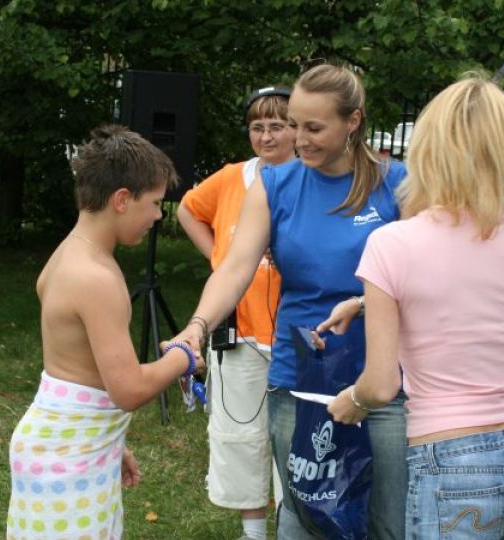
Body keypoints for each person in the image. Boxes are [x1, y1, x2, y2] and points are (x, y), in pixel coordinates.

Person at [171, 63, 409, 539]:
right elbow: (235, 267)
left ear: (354, 121)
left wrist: (362, 304)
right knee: (303, 515)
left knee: (388, 523)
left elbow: (426, 277)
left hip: (382, 381)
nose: (299, 139)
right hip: (299, 377)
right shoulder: (276, 185)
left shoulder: (397, 184)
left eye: (314, 128)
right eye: (295, 125)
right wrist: (196, 326)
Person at [327, 73, 504, 539]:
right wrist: (367, 302)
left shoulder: (392, 244)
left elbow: (381, 386)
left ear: (430, 149)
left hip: (453, 461)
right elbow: (473, 291)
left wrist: (350, 403)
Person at [6, 124, 204, 540]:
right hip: (67, 457)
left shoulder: (68, 254)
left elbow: (78, 374)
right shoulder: (96, 278)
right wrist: (183, 355)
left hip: (69, 446)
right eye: (153, 203)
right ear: (121, 200)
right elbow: (128, 389)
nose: (156, 215)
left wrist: (113, 444)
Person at [177, 85, 295, 540]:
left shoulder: (310, 178)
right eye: (257, 127)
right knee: (242, 437)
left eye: (277, 126)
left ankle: (292, 525)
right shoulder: (232, 177)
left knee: (292, 440)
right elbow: (188, 209)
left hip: (294, 335)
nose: (266, 137)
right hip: (239, 332)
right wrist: (219, 262)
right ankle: (253, 532)